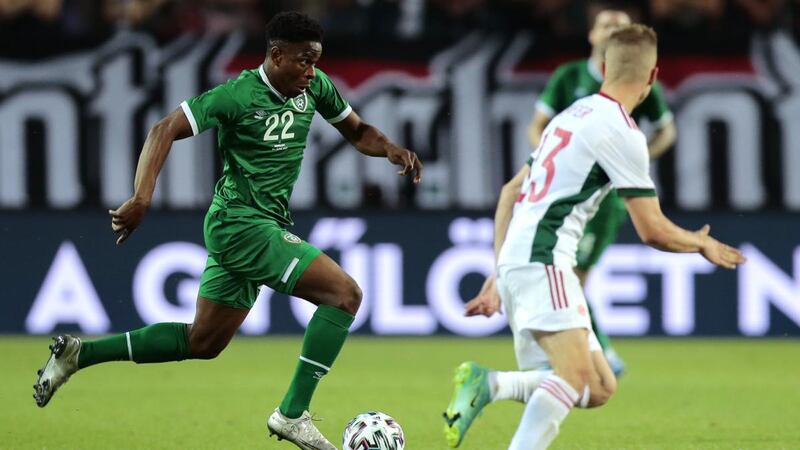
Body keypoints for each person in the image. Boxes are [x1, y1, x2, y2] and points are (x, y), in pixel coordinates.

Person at [33, 11, 423, 450]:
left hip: (255, 224)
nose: (311, 72)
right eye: (303, 62)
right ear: (276, 56)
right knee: (345, 295)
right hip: (241, 223)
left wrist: (390, 148)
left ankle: (78, 354)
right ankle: (292, 414)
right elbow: (164, 129)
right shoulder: (238, 95)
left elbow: (357, 131)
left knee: (203, 341)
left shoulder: (314, 87)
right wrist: (142, 197)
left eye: (316, 62)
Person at [443, 24, 744, 449]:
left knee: (598, 386)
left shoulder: (572, 114)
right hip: (544, 260)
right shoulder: (621, 132)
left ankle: (488, 384)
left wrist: (499, 269)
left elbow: (510, 191)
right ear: (653, 77)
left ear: (603, 67)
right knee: (575, 378)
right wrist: (701, 243)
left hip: (526, 261)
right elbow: (652, 230)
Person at [528, 5, 677, 376]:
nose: (613, 29)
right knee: (567, 276)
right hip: (566, 192)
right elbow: (538, 127)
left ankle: (577, 351)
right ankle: (594, 352)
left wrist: (633, 163)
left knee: (573, 276)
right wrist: (544, 158)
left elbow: (666, 130)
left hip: (606, 200)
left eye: (622, 26)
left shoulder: (642, 84)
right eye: (606, 24)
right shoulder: (570, 76)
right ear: (592, 36)